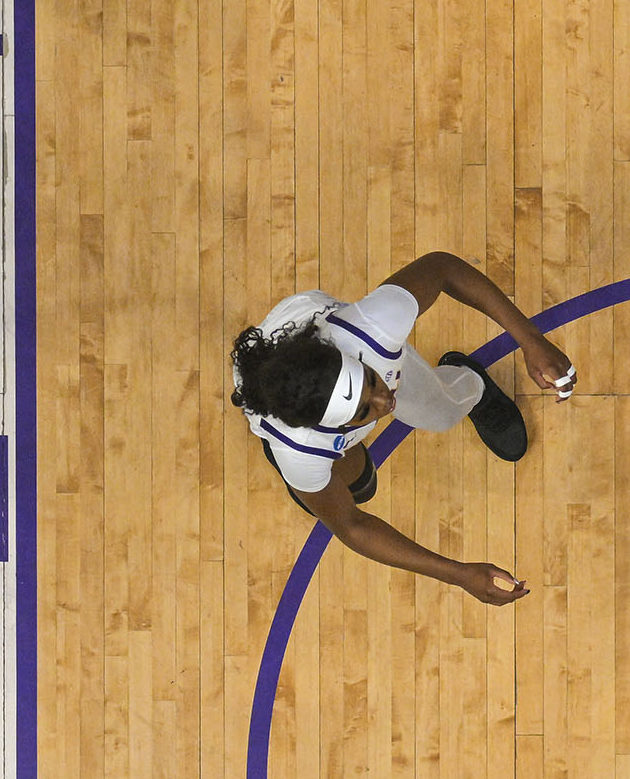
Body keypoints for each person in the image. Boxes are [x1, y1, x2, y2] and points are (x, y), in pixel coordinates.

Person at [230, 251, 573, 604]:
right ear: (327, 427)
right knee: (356, 491)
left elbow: (443, 268)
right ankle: (325, 480)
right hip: (307, 435)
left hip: (319, 341)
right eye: (365, 410)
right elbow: (351, 526)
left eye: (372, 383)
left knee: (440, 413)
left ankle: (476, 387)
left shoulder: (372, 328)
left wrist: (530, 338)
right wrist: (458, 573)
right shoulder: (298, 448)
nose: (386, 403)